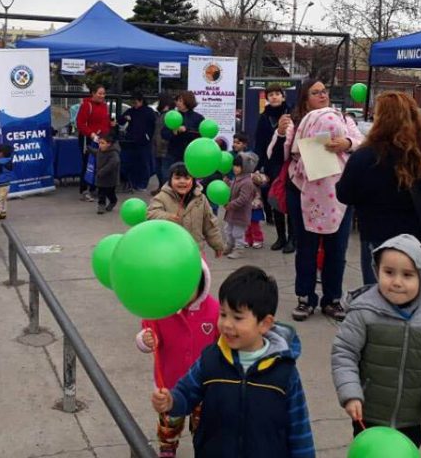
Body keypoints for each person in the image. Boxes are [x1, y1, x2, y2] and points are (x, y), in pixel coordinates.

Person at [151, 266, 315, 458]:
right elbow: (186, 393)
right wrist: (171, 400)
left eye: (237, 318)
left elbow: (299, 429)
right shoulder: (210, 359)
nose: (227, 324)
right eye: (223, 314)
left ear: (265, 323)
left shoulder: (284, 372)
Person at [331, 234, 421, 448]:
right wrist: (351, 394)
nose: (397, 282)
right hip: (368, 415)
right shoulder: (363, 313)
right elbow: (344, 354)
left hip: (410, 420)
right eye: (389, 272)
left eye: (407, 275)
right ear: (377, 271)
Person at [337, 92, 421, 286]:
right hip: (417, 237)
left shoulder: (365, 156)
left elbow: (344, 194)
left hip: (376, 235)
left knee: (376, 295)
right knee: (410, 293)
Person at [274, 79, 363, 322]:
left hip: (339, 193)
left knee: (337, 248)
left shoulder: (343, 120)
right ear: (305, 98)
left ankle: (332, 299)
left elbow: (361, 142)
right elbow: (277, 153)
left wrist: (347, 143)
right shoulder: (295, 123)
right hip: (303, 191)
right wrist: (282, 134)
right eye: (316, 92)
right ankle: (305, 298)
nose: (322, 95)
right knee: (306, 247)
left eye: (324, 91)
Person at [135, 261, 219, 457]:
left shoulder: (214, 310)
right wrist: (146, 340)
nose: (180, 293)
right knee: (169, 423)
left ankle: (202, 447)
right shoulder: (161, 308)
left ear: (200, 284)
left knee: (203, 425)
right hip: (171, 383)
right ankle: (167, 448)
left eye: (186, 287)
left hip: (203, 385)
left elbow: (221, 344)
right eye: (176, 285)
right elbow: (148, 335)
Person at [147, 162, 225, 257]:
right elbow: (151, 214)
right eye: (177, 178)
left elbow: (210, 224)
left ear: (193, 181)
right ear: (170, 180)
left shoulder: (200, 199)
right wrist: (167, 216)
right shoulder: (162, 197)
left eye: (187, 178)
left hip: (195, 250)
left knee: (200, 272)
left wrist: (217, 245)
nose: (182, 181)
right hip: (170, 252)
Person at [256, 83, 294, 252]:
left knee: (292, 201)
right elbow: (260, 143)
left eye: (277, 94)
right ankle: (281, 237)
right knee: (277, 200)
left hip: (291, 162)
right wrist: (259, 165)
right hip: (273, 164)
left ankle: (293, 239)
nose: (274, 97)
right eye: (270, 95)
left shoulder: (293, 113)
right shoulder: (263, 118)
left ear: (283, 96)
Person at [75, 85, 111, 201]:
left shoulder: (105, 106)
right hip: (88, 139)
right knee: (88, 165)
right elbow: (80, 124)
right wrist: (92, 134)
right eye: (99, 93)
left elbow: (105, 123)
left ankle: (93, 188)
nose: (102, 96)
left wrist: (107, 136)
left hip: (101, 140)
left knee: (98, 164)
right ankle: (84, 190)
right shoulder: (86, 105)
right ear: (93, 93)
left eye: (103, 94)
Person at [118, 90, 157, 192]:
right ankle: (134, 183)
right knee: (133, 163)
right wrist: (125, 118)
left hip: (144, 142)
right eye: (133, 103)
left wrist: (148, 136)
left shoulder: (148, 111)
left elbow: (154, 125)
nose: (134, 105)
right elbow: (120, 121)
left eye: (135, 102)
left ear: (141, 101)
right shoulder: (131, 111)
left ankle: (143, 184)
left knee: (144, 163)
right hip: (132, 141)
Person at [223, 152, 258, 260]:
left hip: (240, 213)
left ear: (246, 167)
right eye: (235, 165)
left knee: (238, 233)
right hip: (232, 212)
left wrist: (231, 204)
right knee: (228, 230)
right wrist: (228, 183)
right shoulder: (237, 178)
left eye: (238, 166)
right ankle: (229, 245)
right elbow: (233, 190)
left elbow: (243, 199)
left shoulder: (247, 182)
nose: (235, 168)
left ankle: (239, 249)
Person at [161, 91, 203, 165]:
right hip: (173, 155)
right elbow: (163, 133)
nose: (177, 103)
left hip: (191, 155)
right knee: (168, 175)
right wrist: (172, 132)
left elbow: (200, 135)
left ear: (188, 101)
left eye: (180, 101)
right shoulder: (172, 116)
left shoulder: (198, 118)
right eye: (177, 100)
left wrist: (186, 130)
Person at [92, 133, 120, 214]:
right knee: (101, 192)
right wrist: (90, 150)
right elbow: (96, 152)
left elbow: (113, 163)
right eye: (99, 143)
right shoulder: (100, 151)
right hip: (101, 178)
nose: (100, 145)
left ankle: (113, 200)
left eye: (103, 143)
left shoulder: (113, 153)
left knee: (110, 192)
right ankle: (101, 205)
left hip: (110, 178)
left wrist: (102, 171)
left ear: (109, 144)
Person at [152, 94, 175, 192]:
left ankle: (165, 189)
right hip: (158, 146)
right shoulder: (161, 115)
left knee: (164, 170)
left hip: (164, 147)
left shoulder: (169, 116)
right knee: (159, 169)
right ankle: (161, 187)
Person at [244, 171, 269, 249]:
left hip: (255, 205)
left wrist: (254, 176)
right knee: (246, 225)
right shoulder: (241, 176)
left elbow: (264, 181)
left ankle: (258, 239)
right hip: (245, 205)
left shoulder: (256, 175)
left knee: (254, 224)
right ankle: (248, 239)